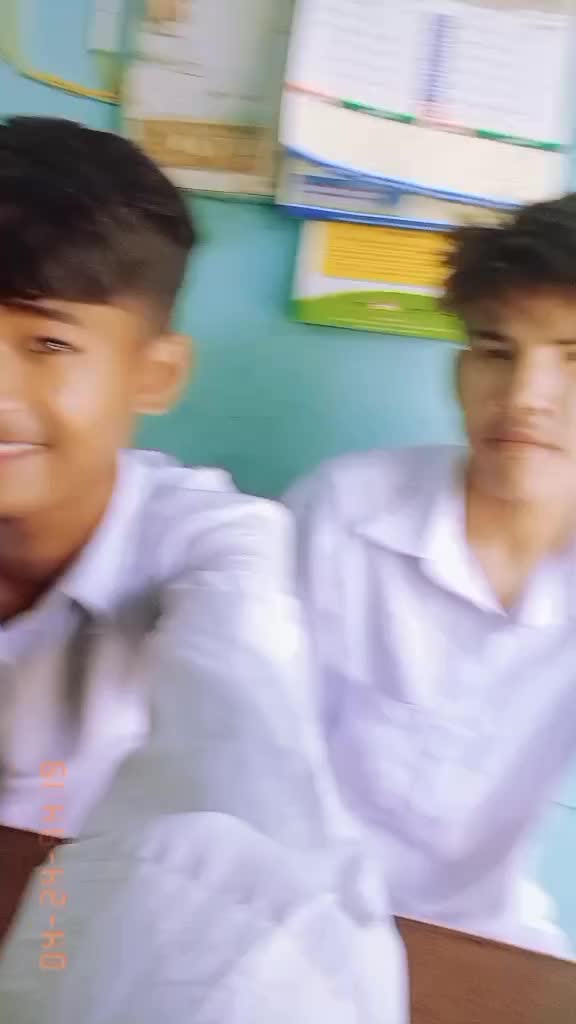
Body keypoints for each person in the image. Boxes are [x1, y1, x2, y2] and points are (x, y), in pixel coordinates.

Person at [0, 117, 407, 1023]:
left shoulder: (217, 545)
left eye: (48, 343)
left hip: (94, 947)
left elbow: (244, 737)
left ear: (157, 373)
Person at [285, 193, 576, 956]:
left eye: (573, 357)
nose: (525, 398)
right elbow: (243, 752)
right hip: (289, 910)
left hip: (485, 942)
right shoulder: (343, 515)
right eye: (495, 350)